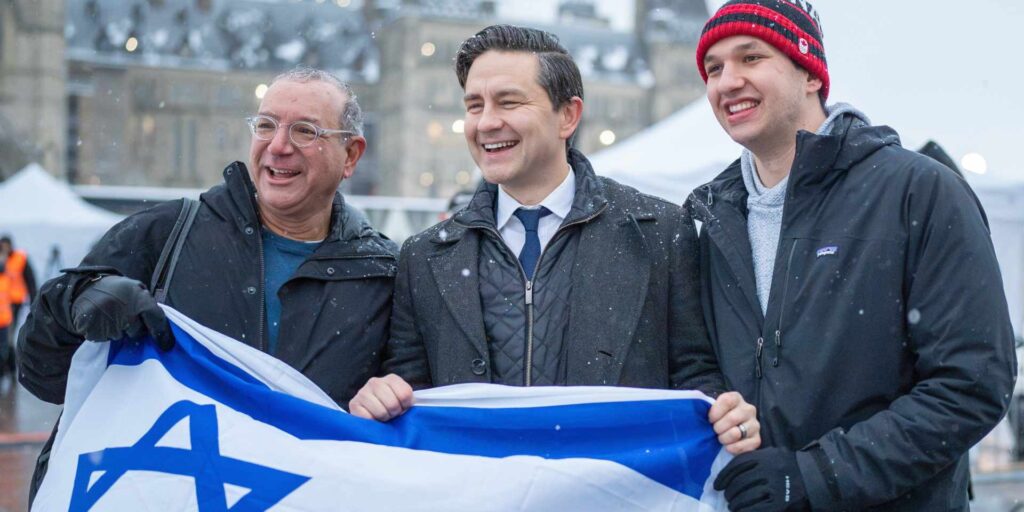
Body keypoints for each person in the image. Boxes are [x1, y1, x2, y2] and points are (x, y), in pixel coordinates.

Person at [349, 24, 760, 454]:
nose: (487, 122)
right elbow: (409, 394)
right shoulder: (425, 256)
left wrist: (726, 416)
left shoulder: (660, 232)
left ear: (568, 115)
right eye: (474, 105)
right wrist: (381, 397)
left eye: (508, 102)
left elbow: (697, 380)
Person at [688, 1, 1017, 510]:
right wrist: (718, 408)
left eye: (750, 58)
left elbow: (972, 383)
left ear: (810, 74)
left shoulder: (917, 191)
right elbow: (698, 363)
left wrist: (814, 477)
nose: (727, 81)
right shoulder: (709, 217)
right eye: (714, 68)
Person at [18, 66, 398, 502]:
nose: (278, 146)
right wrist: (77, 308)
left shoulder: (384, 273)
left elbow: (416, 420)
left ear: (351, 155)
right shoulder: (166, 235)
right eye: (266, 125)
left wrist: (391, 396)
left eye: (305, 131)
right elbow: (41, 373)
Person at [0, 235, 37, 380]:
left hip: (14, 303)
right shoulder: (3, 259)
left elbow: (30, 279)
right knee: (6, 337)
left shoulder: (19, 258)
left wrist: (34, 299)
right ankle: (7, 365)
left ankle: (9, 366)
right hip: (4, 302)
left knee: (9, 336)